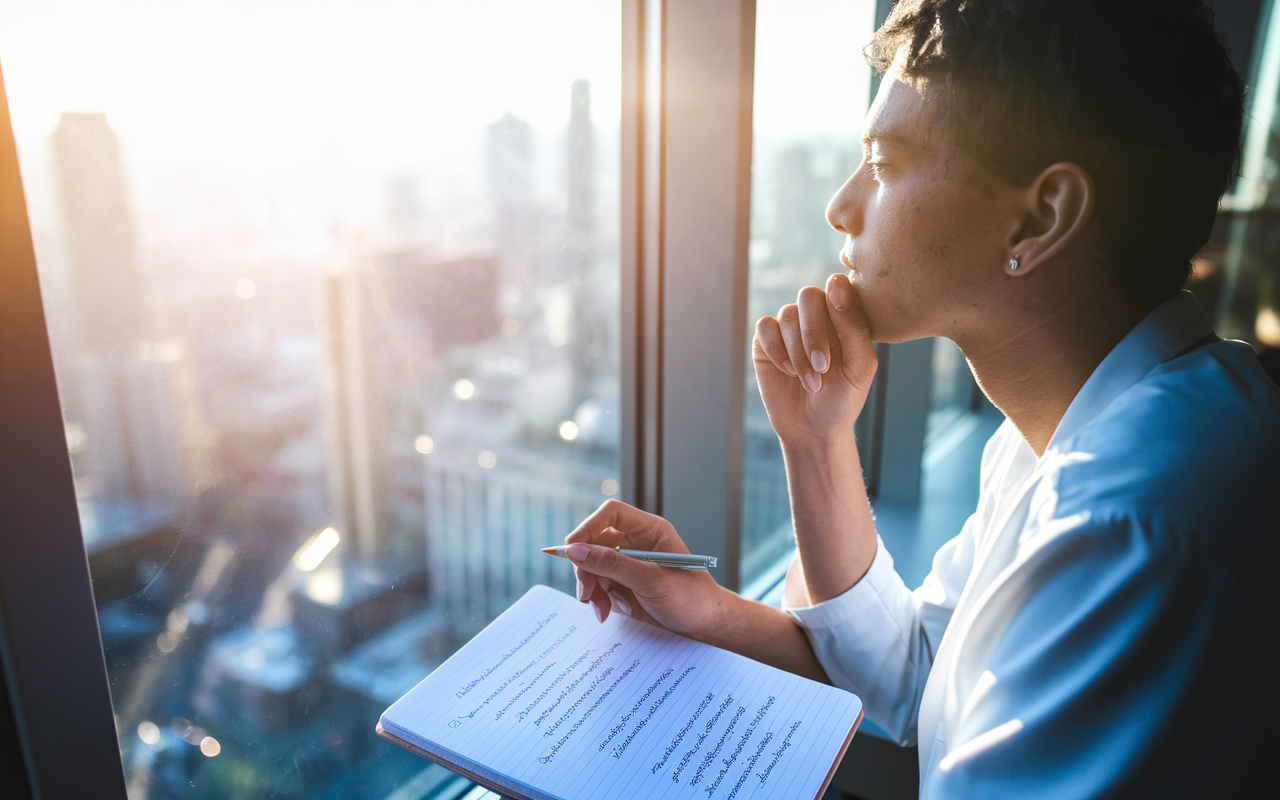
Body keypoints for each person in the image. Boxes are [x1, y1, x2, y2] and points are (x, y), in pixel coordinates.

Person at [562, 0, 1280, 796]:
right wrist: (812, 446)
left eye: (883, 163)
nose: (841, 207)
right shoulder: (1080, 431)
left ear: (1039, 219)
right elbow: (920, 676)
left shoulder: (1128, 527)